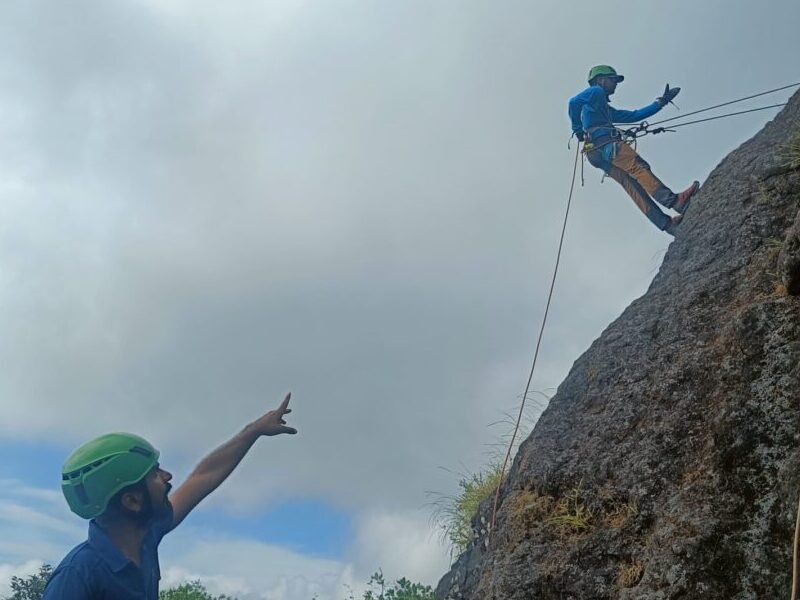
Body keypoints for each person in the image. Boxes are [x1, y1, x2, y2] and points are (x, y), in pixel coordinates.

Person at [42, 394, 297, 599]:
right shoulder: (77, 575)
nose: (168, 476)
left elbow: (202, 477)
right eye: (154, 473)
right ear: (132, 501)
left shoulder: (145, 537)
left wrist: (253, 431)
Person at [569, 65, 700, 235]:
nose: (616, 84)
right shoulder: (596, 92)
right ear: (601, 80)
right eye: (613, 80)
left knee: (630, 184)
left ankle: (667, 225)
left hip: (594, 153)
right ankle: (676, 202)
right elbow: (573, 102)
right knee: (638, 168)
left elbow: (633, 116)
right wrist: (578, 130)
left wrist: (660, 103)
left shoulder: (604, 110)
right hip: (606, 143)